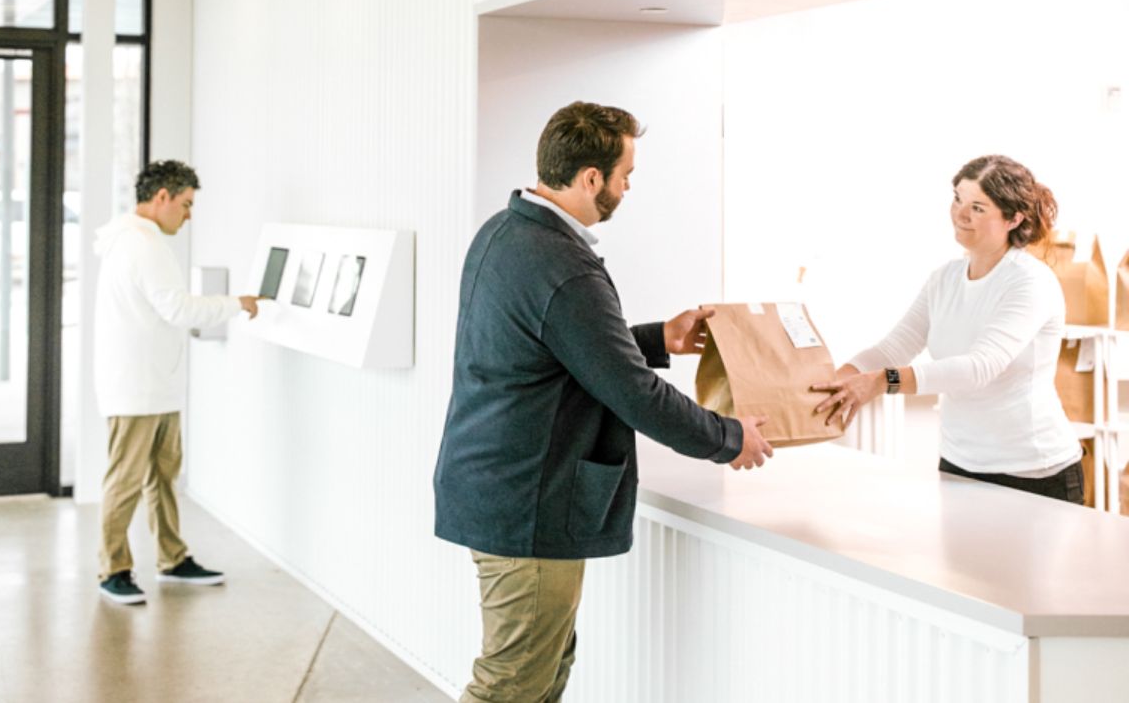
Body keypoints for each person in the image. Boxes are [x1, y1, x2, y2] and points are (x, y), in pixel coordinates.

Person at [433, 101, 772, 703]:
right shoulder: (563, 264)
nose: (628, 187)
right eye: (625, 175)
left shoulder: (508, 231)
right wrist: (729, 438)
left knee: (541, 671)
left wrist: (654, 338)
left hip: (500, 489)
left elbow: (556, 350)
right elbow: (632, 392)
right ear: (592, 178)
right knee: (511, 685)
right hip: (527, 505)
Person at [813, 154, 1083, 504]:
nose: (960, 214)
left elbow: (979, 367)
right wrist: (840, 381)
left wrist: (881, 382)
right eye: (957, 199)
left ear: (1013, 218)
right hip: (959, 466)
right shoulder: (944, 279)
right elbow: (892, 348)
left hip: (1034, 472)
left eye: (978, 207)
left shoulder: (1030, 282)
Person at [94, 160, 264, 605]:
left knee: (164, 475)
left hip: (156, 385)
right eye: (186, 205)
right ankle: (113, 568)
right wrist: (237, 303)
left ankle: (172, 558)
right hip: (135, 388)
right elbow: (178, 309)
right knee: (126, 480)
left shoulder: (135, 241)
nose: (188, 216)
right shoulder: (141, 245)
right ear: (162, 197)